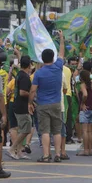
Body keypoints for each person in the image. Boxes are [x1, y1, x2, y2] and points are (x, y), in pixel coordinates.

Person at [29, 30, 65, 163]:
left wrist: (30, 102)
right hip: (56, 103)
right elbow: (61, 53)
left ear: (42, 59)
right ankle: (58, 154)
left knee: (45, 131)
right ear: (53, 58)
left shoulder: (38, 73)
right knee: (57, 130)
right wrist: (61, 39)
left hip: (42, 104)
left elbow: (33, 90)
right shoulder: (58, 67)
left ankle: (45, 155)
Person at [8, 56, 32, 160]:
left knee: (22, 129)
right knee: (26, 129)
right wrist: (32, 95)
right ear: (29, 65)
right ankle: (13, 148)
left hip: (18, 104)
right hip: (22, 106)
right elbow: (23, 92)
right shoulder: (25, 77)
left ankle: (19, 152)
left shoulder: (19, 74)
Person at [77, 70, 92, 156]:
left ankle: (85, 150)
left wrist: (82, 103)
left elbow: (85, 94)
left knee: (85, 131)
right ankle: (90, 149)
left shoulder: (83, 85)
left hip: (85, 108)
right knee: (90, 130)